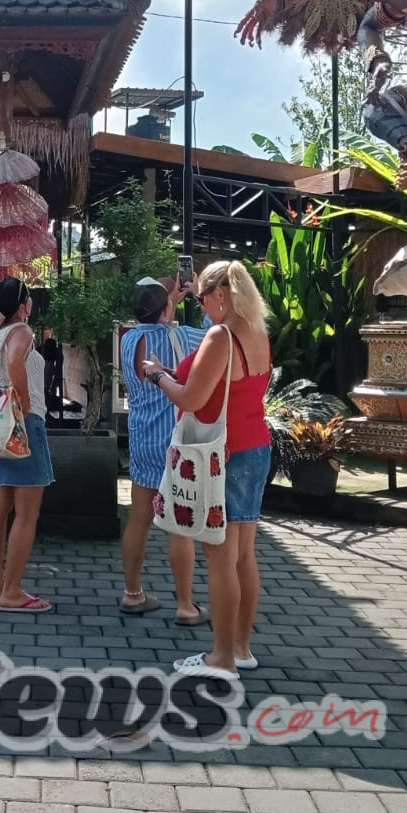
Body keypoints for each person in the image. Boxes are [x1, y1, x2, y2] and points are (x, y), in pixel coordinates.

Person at [140, 260, 273, 677]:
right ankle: (241, 647)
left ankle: (221, 657)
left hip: (223, 452)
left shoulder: (221, 335)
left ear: (220, 294)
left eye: (201, 296)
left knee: (220, 556)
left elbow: (191, 399)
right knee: (244, 555)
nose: (200, 305)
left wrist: (159, 375)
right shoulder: (257, 331)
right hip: (255, 445)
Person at [118, 276, 208, 626]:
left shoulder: (128, 338)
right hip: (176, 439)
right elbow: (217, 334)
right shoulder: (183, 336)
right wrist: (198, 295)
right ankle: (185, 605)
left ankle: (132, 593)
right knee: (179, 525)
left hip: (141, 437)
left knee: (139, 518)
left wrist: (170, 298)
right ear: (167, 309)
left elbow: (154, 323)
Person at [0, 277, 56, 613]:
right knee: (27, 513)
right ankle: (12, 591)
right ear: (23, 304)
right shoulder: (21, 332)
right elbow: (14, 363)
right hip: (23, 424)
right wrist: (23, 403)